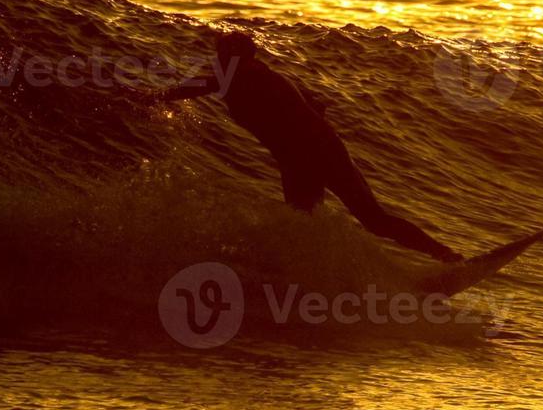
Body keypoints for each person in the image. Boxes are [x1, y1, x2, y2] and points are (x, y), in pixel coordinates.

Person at [150, 31, 461, 263]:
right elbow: (316, 105)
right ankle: (324, 280)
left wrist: (152, 97)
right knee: (303, 227)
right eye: (219, 53)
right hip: (297, 159)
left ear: (242, 57)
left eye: (224, 54)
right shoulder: (262, 76)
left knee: (371, 219)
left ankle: (445, 255)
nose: (218, 59)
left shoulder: (247, 73)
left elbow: (200, 86)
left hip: (320, 152)